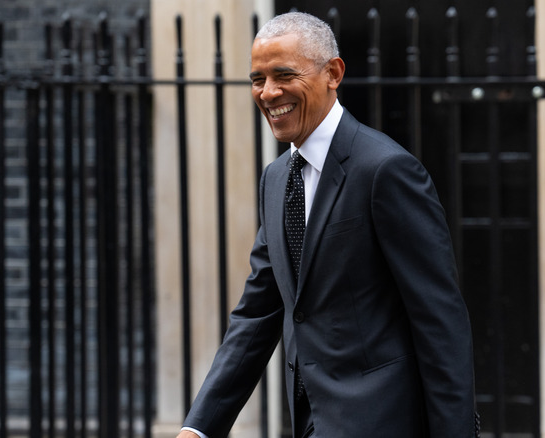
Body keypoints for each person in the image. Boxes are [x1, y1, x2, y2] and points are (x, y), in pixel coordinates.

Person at [177, 11, 477, 438]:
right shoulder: (276, 179)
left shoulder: (385, 170)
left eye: (283, 74)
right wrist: (199, 427)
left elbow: (440, 319)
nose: (268, 92)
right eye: (257, 79)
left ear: (333, 73)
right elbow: (257, 314)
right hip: (311, 422)